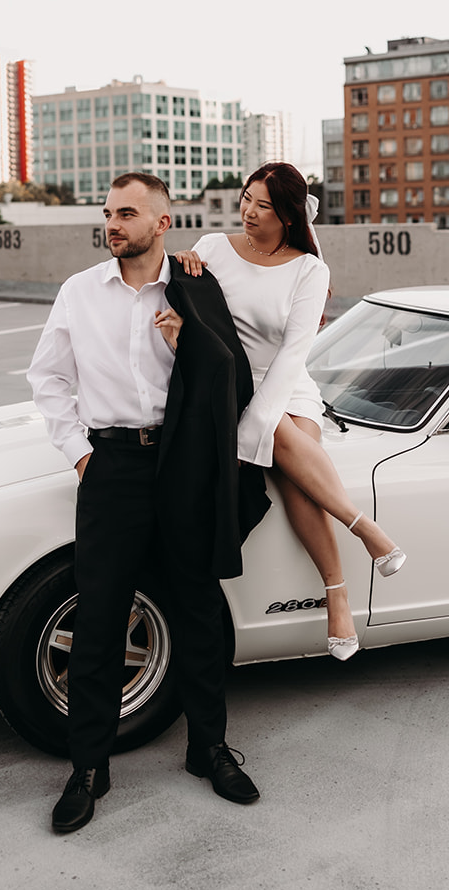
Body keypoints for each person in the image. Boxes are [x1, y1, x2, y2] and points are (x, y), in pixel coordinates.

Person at [27, 172, 268, 835]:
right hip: (112, 465)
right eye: (107, 212)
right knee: (101, 616)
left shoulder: (194, 285)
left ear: (162, 223)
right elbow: (46, 379)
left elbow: (232, 378)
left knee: (197, 610)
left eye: (127, 213)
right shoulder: (79, 292)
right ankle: (88, 766)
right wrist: (80, 453)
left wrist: (183, 343)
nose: (113, 223)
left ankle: (209, 750)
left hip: (183, 461)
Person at [174, 163, 405, 662]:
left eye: (265, 206)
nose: (250, 212)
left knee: (286, 454)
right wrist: (182, 265)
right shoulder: (213, 247)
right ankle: (362, 536)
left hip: (285, 383)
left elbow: (292, 357)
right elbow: (190, 308)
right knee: (290, 460)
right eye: (246, 199)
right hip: (226, 380)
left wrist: (250, 431)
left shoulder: (308, 268)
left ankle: (340, 590)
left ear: (289, 215)